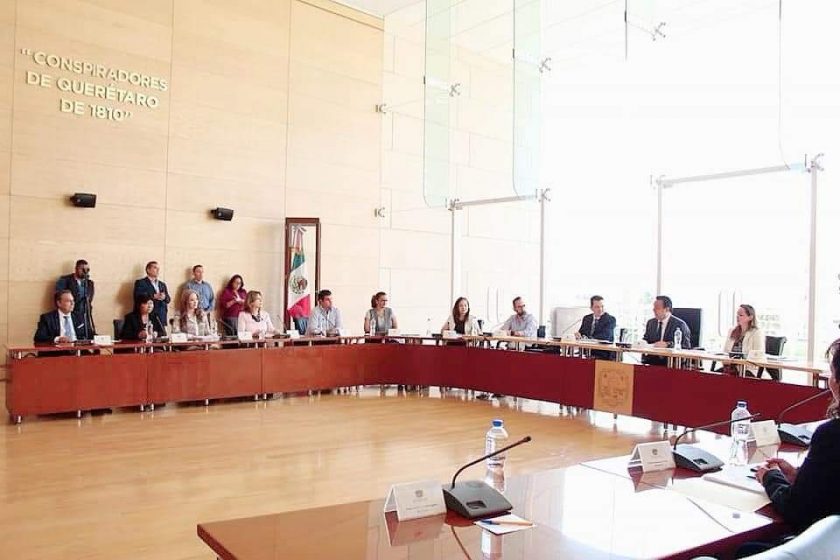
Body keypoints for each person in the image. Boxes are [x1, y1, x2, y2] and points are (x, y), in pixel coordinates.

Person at [754, 339, 840, 534]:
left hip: (824, 544)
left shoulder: (831, 435)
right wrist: (800, 477)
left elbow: (796, 509)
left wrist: (770, 477)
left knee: (745, 548)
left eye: (832, 373)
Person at [642, 295, 691, 366]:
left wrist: (667, 344)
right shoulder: (651, 323)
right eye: (654, 308)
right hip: (651, 361)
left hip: (672, 363)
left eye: (657, 308)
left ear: (667, 309)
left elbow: (686, 346)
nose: (654, 310)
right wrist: (641, 343)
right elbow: (646, 339)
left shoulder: (680, 325)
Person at [55, 259, 95, 339]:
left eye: (87, 270)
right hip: (69, 315)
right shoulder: (65, 280)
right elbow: (58, 296)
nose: (85, 272)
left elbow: (89, 299)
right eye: (82, 269)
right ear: (76, 269)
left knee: (88, 337)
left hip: (85, 315)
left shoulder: (89, 283)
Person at [722, 304, 765, 377]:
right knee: (713, 376)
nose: (737, 317)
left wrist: (739, 361)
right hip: (731, 367)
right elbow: (725, 352)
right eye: (737, 314)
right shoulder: (732, 331)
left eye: (741, 315)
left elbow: (757, 356)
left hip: (749, 369)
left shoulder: (757, 333)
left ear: (750, 317)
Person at [133, 261, 171, 328]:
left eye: (158, 268)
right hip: (147, 315)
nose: (158, 270)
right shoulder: (141, 282)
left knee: (161, 334)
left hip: (161, 316)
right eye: (155, 268)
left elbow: (168, 299)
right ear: (148, 270)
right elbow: (138, 296)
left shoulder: (162, 284)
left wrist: (164, 297)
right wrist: (154, 296)